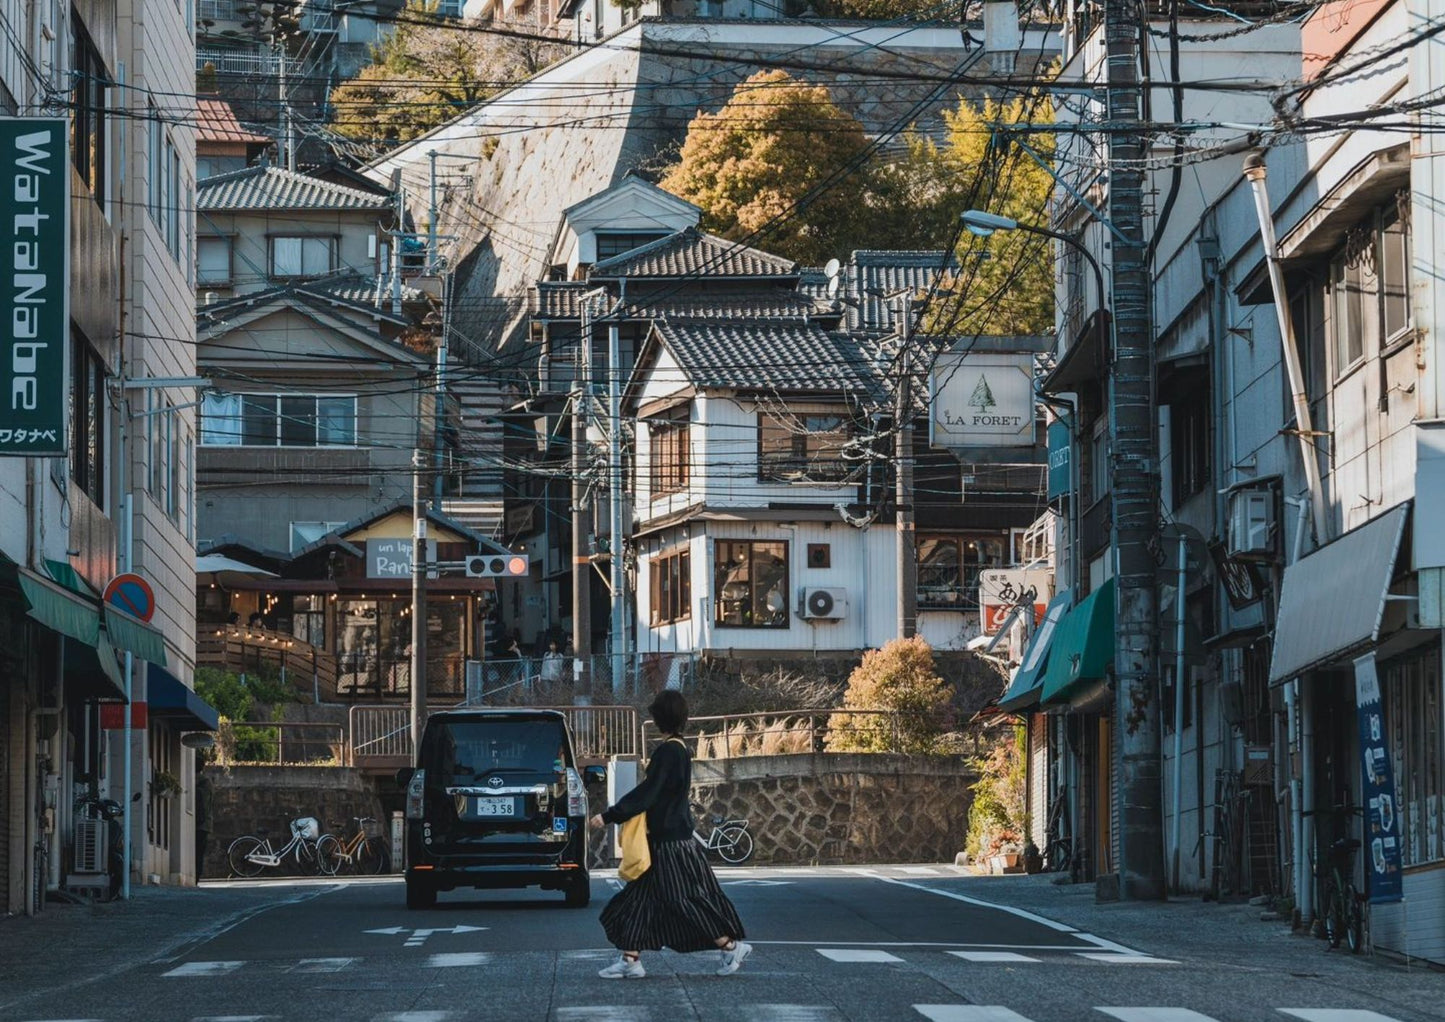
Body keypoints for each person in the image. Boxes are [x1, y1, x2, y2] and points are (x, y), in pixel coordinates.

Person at [589, 690, 750, 979]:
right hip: (671, 839)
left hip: (669, 844)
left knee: (681, 899)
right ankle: (630, 960)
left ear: (661, 718)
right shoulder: (680, 748)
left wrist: (610, 815)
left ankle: (729, 946)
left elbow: (649, 792)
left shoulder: (668, 751)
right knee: (639, 901)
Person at [194, 765, 214, 877]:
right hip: (206, 823)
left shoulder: (199, 782)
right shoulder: (208, 783)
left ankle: (196, 876)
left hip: (199, 823)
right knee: (200, 853)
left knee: (197, 852)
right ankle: (197, 876)